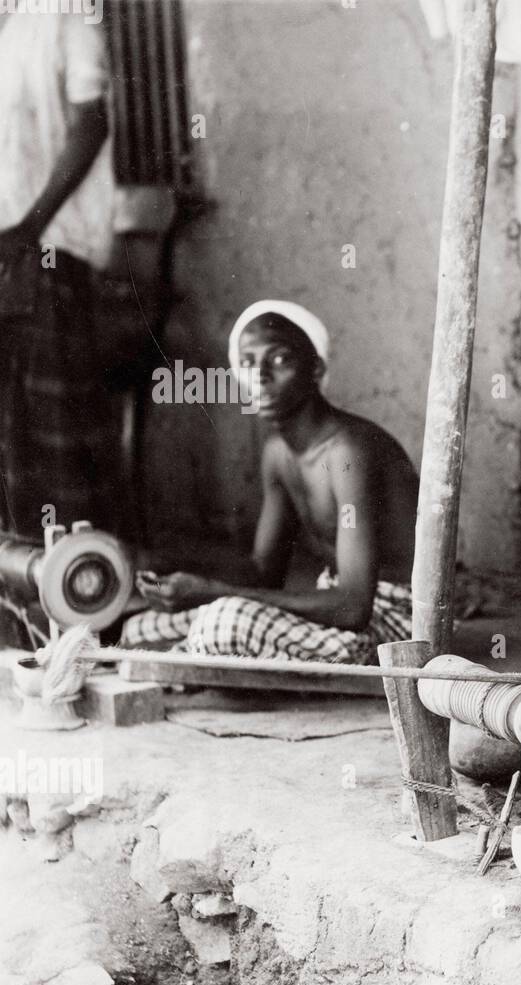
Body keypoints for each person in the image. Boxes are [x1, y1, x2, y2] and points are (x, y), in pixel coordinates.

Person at [118, 301, 419, 664]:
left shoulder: (347, 452)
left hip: (396, 622)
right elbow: (264, 572)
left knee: (223, 623)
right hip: (339, 602)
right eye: (247, 363)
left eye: (279, 360)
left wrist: (210, 594)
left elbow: (355, 607)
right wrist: (165, 564)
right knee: (137, 629)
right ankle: (194, 657)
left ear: (315, 368)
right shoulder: (278, 453)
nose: (259, 375)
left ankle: (193, 659)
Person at [0, 10, 116, 540]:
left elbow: (90, 123)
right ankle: (19, 598)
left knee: (59, 438)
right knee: (10, 441)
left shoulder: (66, 24)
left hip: (47, 250)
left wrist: (29, 227)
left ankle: (85, 590)